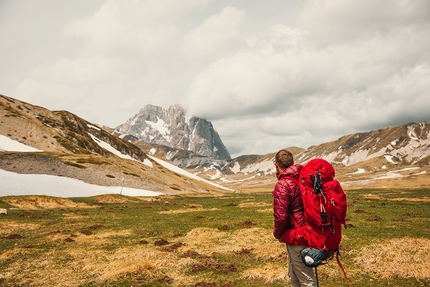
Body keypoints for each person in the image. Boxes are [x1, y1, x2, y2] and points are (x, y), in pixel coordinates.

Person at [272, 149, 317, 287]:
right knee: (295, 275)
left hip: (297, 235)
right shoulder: (303, 178)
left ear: (276, 165)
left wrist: (277, 233)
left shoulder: (283, 184)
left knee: (306, 279)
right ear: (292, 163)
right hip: (309, 230)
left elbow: (281, 216)